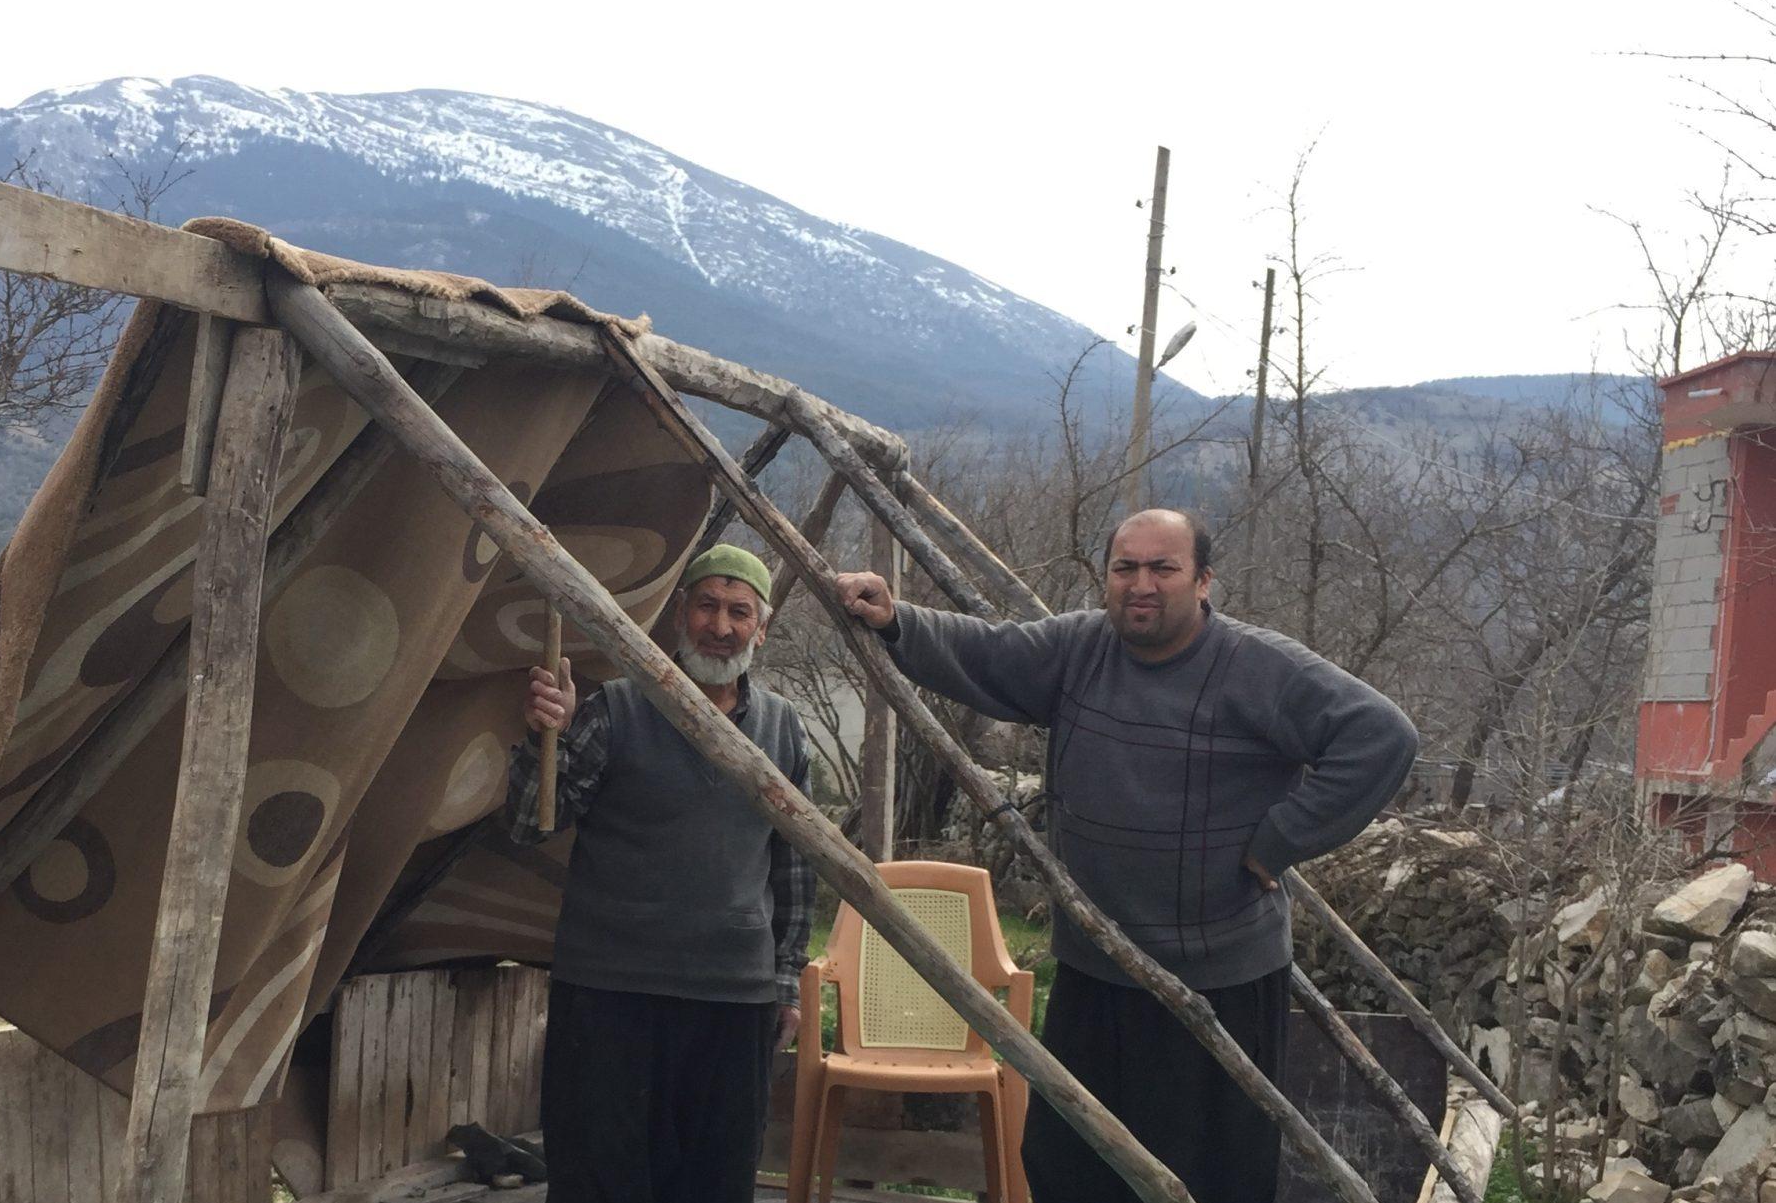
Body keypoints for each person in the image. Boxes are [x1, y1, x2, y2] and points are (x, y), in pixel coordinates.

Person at [832, 509, 1417, 1203]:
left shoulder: (1259, 668)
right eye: (1125, 567)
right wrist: (896, 619)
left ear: (1203, 581)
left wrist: (1277, 843)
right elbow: (991, 653)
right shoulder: (1080, 649)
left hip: (1219, 979)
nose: (1142, 584)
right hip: (1095, 968)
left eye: (1163, 568)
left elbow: (1381, 737)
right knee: (1070, 1161)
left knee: (1212, 1175)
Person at [506, 542, 814, 1203]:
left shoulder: (784, 730)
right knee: (599, 1178)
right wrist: (544, 739)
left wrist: (787, 977)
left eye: (739, 611)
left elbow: (792, 865)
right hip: (610, 991)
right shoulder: (616, 708)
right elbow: (532, 822)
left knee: (715, 1182)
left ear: (762, 627)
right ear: (680, 613)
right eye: (707, 605)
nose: (721, 626)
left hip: (733, 998)